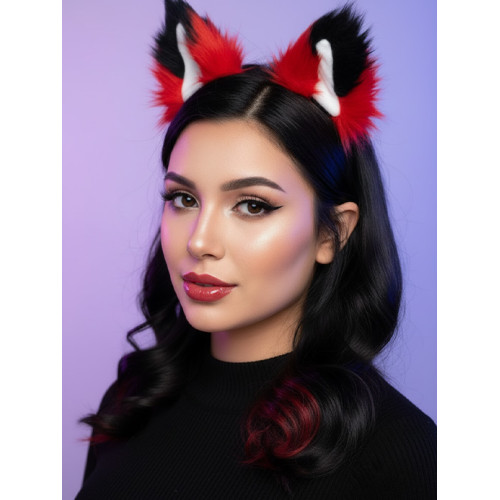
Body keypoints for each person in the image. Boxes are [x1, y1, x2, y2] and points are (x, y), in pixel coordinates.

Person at [76, 1, 437, 498]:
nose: (199, 241)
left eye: (251, 205)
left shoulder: (401, 453)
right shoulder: (131, 401)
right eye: (183, 199)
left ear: (332, 233)